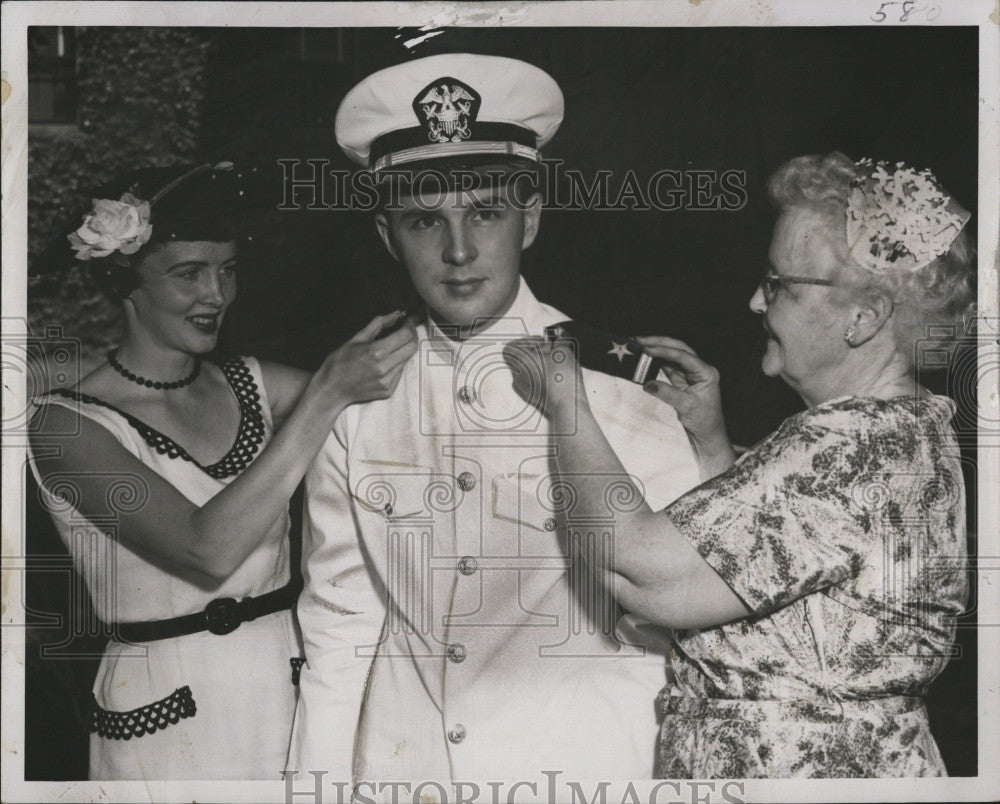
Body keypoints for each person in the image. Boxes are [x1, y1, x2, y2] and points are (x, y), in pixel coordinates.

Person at [287, 54, 701, 787]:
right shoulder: (359, 396)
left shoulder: (617, 384)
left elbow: (673, 617)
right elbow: (339, 619)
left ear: (530, 219)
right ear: (388, 236)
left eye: (485, 213)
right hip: (404, 769)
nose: (458, 251)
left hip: (580, 768)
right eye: (424, 221)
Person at [510, 152, 973, 777]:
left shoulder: (847, 447)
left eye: (782, 283)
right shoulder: (908, 429)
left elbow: (641, 570)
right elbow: (779, 572)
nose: (757, 300)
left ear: (863, 318)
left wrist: (566, 403)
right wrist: (712, 444)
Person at [27, 162, 417, 780]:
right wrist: (324, 396)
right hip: (163, 715)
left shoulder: (257, 384)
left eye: (228, 270)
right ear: (124, 282)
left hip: (287, 687)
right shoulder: (64, 426)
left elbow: (399, 397)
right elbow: (206, 550)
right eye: (189, 274)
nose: (217, 294)